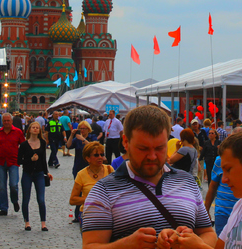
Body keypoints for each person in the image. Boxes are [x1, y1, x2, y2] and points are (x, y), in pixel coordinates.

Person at [81, 105, 215, 248]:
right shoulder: (103, 191)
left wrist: (192, 243)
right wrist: (126, 245)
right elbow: (90, 246)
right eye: (143, 148)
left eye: (159, 148)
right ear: (126, 142)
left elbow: (208, 233)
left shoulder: (187, 181)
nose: (152, 156)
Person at [18, 121, 52, 231]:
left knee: (41, 199)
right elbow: (19, 161)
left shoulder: (42, 142)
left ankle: (43, 223)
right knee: (26, 199)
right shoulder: (24, 145)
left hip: (39, 174)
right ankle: (27, 222)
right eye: (33, 127)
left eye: (37, 127)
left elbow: (43, 159)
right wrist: (30, 159)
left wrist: (47, 172)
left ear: (39, 130)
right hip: (27, 174)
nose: (35, 129)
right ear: (29, 130)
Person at [70, 142, 113, 223]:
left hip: (107, 214)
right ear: (88, 158)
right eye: (96, 155)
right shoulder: (81, 174)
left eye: (102, 154)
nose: (100, 157)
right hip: (88, 215)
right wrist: (92, 199)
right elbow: (72, 200)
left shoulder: (110, 170)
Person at [0, 113, 25, 215]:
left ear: (11, 121)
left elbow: (23, 146)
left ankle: (14, 200)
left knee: (13, 185)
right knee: (2, 186)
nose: (6, 122)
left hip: (13, 161)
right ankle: (3, 208)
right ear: (2, 122)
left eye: (8, 121)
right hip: (1, 162)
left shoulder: (18, 132)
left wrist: (23, 159)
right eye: (4, 121)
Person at [67, 120, 97, 222]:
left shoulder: (92, 137)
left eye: (84, 128)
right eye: (80, 129)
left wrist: (84, 140)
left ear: (88, 129)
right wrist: (72, 135)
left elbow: (95, 148)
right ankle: (78, 214)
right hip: (78, 168)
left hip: (91, 168)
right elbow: (68, 145)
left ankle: (90, 213)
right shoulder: (77, 139)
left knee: (90, 190)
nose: (82, 130)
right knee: (79, 192)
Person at [204, 154, 236, 236]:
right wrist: (206, 210)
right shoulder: (220, 160)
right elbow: (212, 187)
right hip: (222, 211)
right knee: (222, 239)